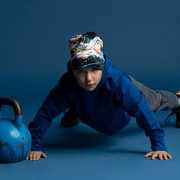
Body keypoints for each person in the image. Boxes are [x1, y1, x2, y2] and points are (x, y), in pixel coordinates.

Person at [26, 32, 180, 161]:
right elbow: (46, 112)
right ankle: (75, 108)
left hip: (120, 106)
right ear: (73, 71)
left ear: (102, 66)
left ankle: (178, 100)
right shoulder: (67, 84)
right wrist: (34, 146)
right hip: (89, 102)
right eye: (81, 71)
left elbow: (144, 113)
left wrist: (159, 146)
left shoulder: (119, 84)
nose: (88, 78)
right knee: (78, 91)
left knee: (153, 102)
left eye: (94, 70)